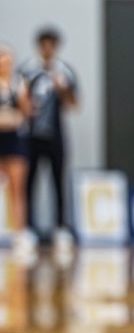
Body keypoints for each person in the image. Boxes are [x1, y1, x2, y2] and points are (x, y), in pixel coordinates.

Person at [18, 27, 77, 267]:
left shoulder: (64, 71)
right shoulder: (26, 70)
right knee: (29, 182)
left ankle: (61, 227)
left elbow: (74, 104)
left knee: (57, 181)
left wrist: (62, 89)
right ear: (39, 46)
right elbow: (18, 101)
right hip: (31, 136)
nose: (48, 49)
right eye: (44, 44)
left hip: (56, 136)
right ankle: (28, 228)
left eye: (52, 44)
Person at [0, 46, 34, 266]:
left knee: (17, 189)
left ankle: (20, 235)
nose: (5, 63)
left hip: (14, 141)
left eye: (8, 59)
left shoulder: (19, 85)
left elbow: (25, 113)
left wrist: (13, 118)